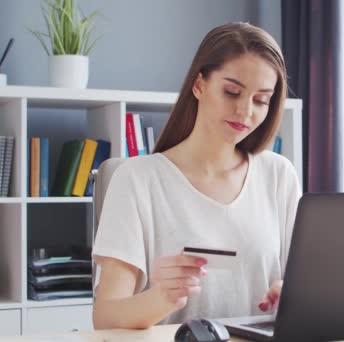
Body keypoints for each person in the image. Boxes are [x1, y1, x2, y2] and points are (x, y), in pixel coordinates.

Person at [92, 22, 302, 329]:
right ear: (199, 85)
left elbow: (299, 282)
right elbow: (105, 316)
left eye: (261, 100)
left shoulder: (278, 174)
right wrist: (162, 297)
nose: (245, 112)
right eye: (232, 92)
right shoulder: (137, 179)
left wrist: (289, 297)